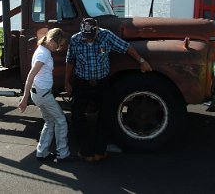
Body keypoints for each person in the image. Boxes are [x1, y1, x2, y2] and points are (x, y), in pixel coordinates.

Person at [65, 18, 152, 162]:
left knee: (107, 115)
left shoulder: (106, 35)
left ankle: (100, 150)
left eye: (91, 36)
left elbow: (125, 47)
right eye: (85, 36)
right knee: (77, 116)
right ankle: (86, 152)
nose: (88, 40)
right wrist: (66, 82)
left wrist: (141, 61)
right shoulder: (75, 39)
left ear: (97, 30)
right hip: (81, 82)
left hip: (102, 82)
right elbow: (70, 60)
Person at [18, 28, 73, 163]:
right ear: (51, 40)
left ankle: (42, 153)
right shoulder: (44, 54)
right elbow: (30, 76)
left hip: (39, 92)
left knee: (49, 121)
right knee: (61, 120)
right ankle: (62, 153)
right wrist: (24, 99)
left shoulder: (42, 50)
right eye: (58, 44)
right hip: (43, 94)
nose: (58, 48)